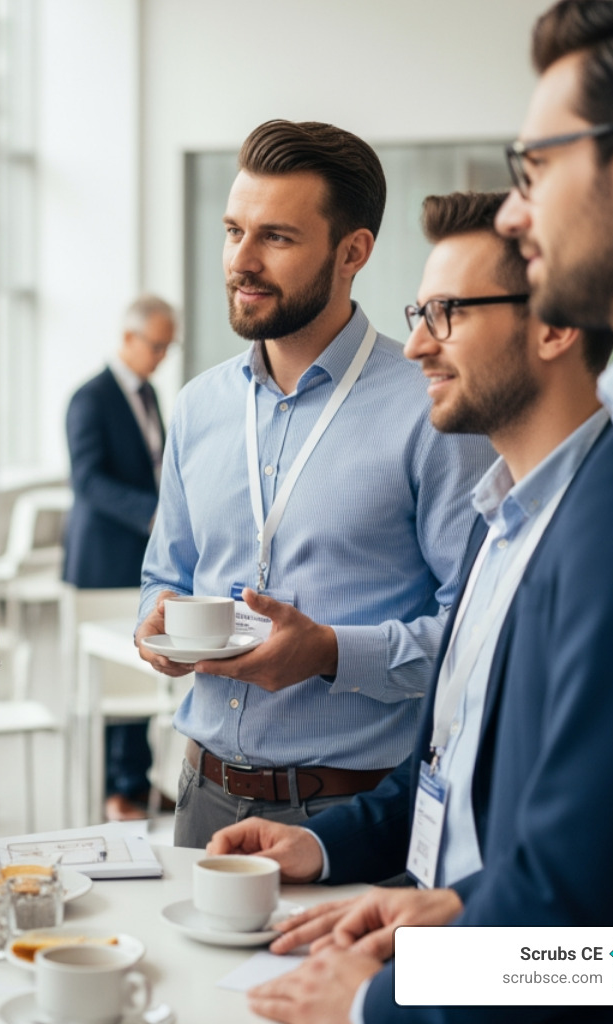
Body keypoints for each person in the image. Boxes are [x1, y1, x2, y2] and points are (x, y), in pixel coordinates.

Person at [247, 3, 613, 1022]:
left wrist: (382, 999)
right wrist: (433, 907)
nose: (522, 215)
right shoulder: (506, 517)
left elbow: (607, 928)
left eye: (534, 168)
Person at [208, 188, 613, 959]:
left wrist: (395, 999)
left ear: (556, 323)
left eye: (449, 314)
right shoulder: (497, 524)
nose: (420, 347)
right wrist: (324, 846)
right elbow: (450, 765)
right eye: (418, 315)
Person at [134, 119, 494, 849]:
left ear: (352, 252)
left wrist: (330, 652)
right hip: (200, 800)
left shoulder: (433, 408)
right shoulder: (199, 406)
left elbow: (477, 641)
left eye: (277, 238)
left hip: (351, 817)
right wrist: (158, 622)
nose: (242, 260)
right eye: (234, 231)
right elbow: (162, 576)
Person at [62, 294, 177, 821]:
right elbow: (87, 481)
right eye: (155, 345)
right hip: (102, 559)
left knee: (142, 666)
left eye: (167, 347)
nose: (160, 356)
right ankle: (116, 791)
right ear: (128, 338)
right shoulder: (89, 398)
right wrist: (150, 513)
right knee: (110, 682)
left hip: (141, 557)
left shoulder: (150, 394)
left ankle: (137, 781)